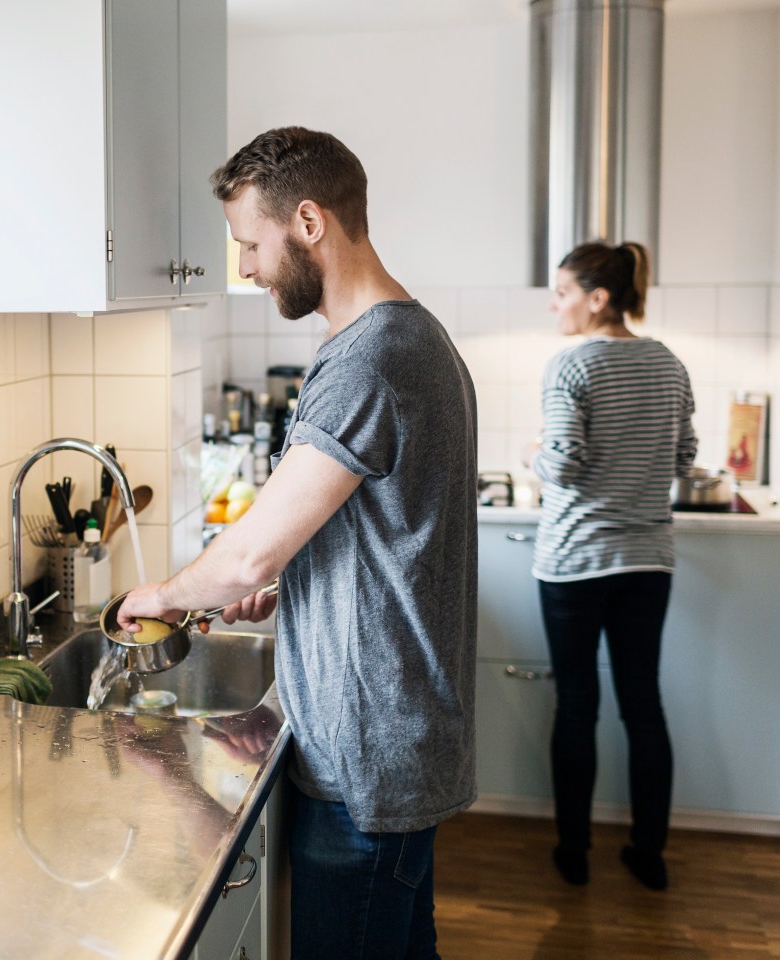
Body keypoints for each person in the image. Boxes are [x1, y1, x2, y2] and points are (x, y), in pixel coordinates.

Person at [116, 126, 478, 959]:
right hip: (386, 745)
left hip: (367, 761)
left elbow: (250, 552)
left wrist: (160, 596)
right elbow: (388, 536)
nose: (245, 267)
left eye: (250, 243)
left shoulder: (370, 360)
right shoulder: (404, 338)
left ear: (308, 222)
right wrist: (300, 586)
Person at [524, 241, 697, 892]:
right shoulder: (668, 362)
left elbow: (563, 465)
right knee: (642, 704)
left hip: (575, 561)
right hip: (648, 560)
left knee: (576, 703)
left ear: (597, 299)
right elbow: (684, 458)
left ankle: (573, 852)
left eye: (562, 292)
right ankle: (648, 854)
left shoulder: (572, 365)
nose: (554, 306)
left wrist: (530, 454)